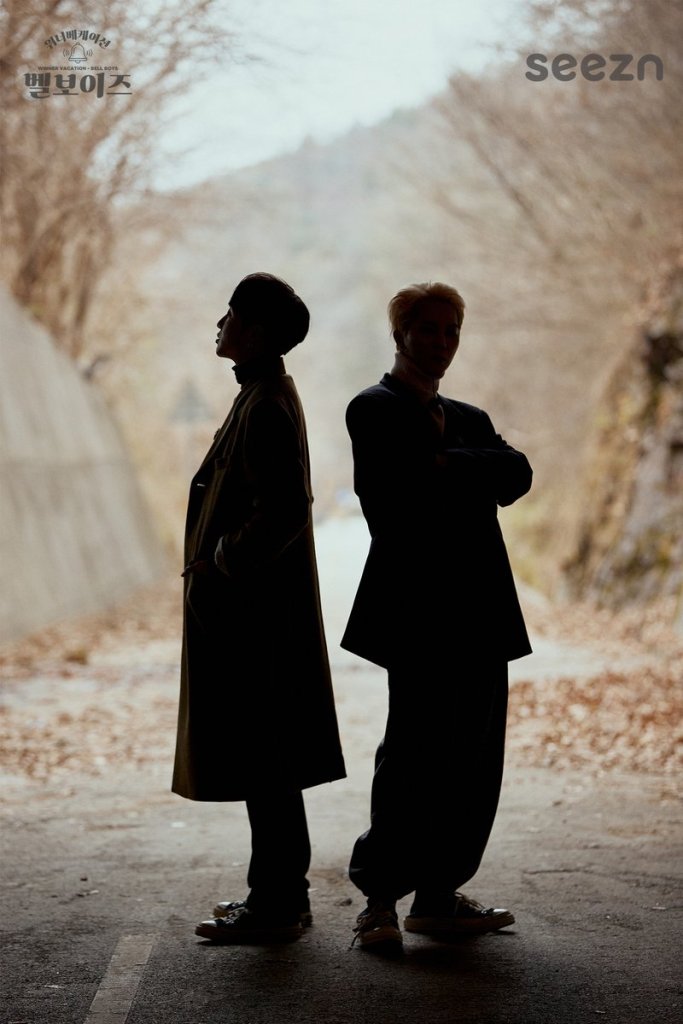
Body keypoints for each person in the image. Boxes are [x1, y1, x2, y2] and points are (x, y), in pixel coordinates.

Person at [341, 281, 533, 951]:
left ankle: (437, 895)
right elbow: (396, 493)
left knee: (472, 758)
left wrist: (446, 462)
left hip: (480, 611)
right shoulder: (372, 408)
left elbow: (518, 474)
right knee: (412, 752)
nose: (442, 342)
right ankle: (379, 901)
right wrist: (472, 470)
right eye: (428, 328)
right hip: (417, 611)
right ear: (400, 334)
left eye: (451, 330)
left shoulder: (467, 417)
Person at [172, 272, 346, 943]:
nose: (219, 324)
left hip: (255, 618)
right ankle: (278, 897)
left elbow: (285, 510)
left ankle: (276, 905)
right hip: (254, 615)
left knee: (267, 762)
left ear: (256, 331)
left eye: (231, 314)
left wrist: (221, 560)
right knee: (267, 760)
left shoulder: (267, 402)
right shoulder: (261, 393)